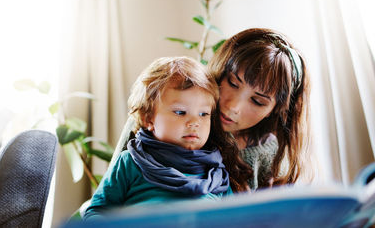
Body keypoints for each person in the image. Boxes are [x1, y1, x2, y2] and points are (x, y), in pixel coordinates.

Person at [111, 28, 312, 192]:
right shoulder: (159, 117)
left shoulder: (269, 153)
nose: (233, 106)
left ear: (276, 110)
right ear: (219, 69)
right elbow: (108, 197)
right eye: (233, 83)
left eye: (257, 101)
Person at [83, 56, 232, 220]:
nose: (195, 122)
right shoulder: (130, 162)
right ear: (148, 119)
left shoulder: (216, 174)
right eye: (180, 112)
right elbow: (97, 212)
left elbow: (236, 220)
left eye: (204, 114)